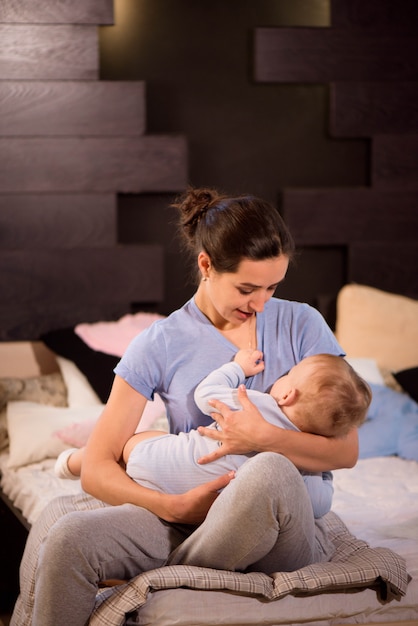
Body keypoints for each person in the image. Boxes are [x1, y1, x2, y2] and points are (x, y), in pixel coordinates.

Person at [12, 187, 360, 626]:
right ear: (206, 266)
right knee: (67, 537)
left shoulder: (302, 324)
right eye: (247, 288)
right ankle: (186, 565)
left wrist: (263, 438)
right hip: (186, 517)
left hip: (280, 526)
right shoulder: (159, 343)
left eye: (273, 287)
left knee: (269, 470)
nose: (260, 304)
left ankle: (172, 572)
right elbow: (99, 466)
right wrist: (170, 507)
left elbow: (346, 451)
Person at [55, 349, 371, 519]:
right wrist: (322, 471)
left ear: (287, 396)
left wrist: (237, 368)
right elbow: (319, 506)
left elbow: (206, 393)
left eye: (289, 375)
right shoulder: (301, 470)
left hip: (159, 460)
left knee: (130, 444)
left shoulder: (254, 403)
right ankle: (91, 462)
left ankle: (80, 460)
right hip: (202, 507)